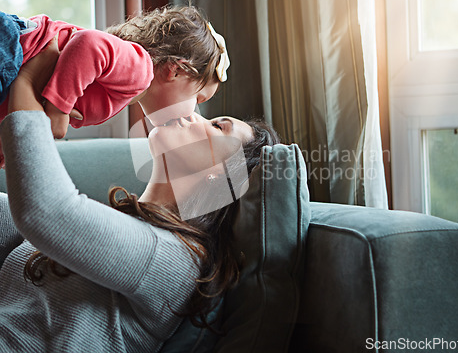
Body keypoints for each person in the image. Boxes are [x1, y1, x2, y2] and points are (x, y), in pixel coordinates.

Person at [0, 38, 278, 351]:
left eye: (217, 126)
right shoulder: (118, 224)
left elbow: (45, 212)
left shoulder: (178, 262)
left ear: (222, 175)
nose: (194, 112)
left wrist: (25, 84)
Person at [0, 4, 230, 164]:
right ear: (176, 70)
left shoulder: (130, 87)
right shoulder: (141, 72)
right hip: (14, 46)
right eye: (198, 99)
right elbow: (88, 44)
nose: (194, 114)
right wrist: (58, 109)